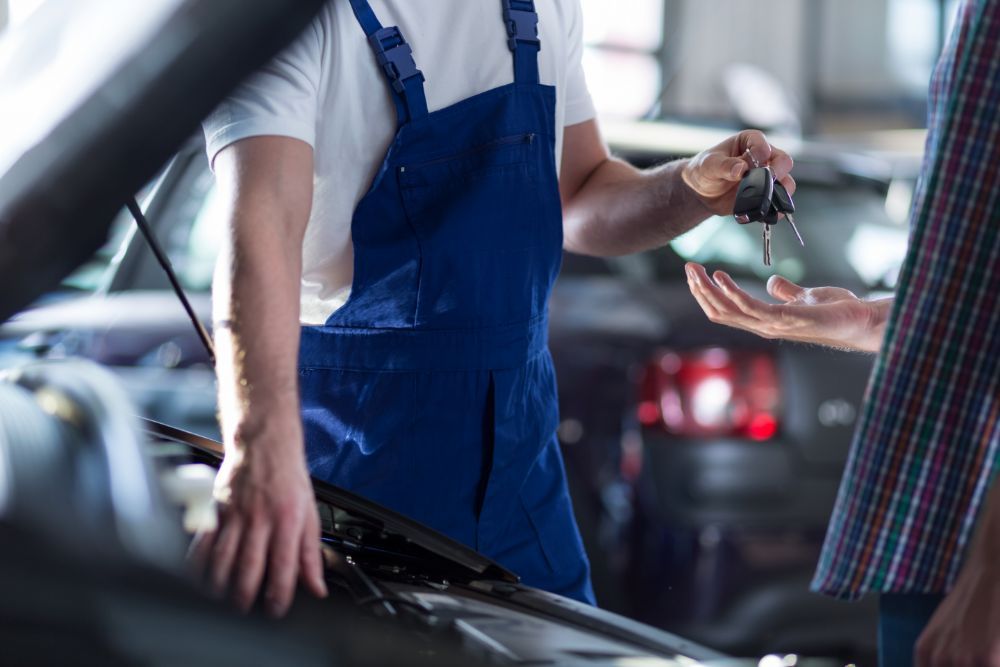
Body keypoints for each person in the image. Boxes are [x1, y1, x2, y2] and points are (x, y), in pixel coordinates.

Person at [194, 0, 793, 617]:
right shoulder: (291, 19)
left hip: (522, 471)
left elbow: (582, 196)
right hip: (353, 469)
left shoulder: (544, 7)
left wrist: (690, 186)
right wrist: (260, 448)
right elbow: (261, 227)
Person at [684, 0, 1000, 664]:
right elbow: (981, 302)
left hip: (975, 548)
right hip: (937, 533)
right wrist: (872, 319)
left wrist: (989, 582)